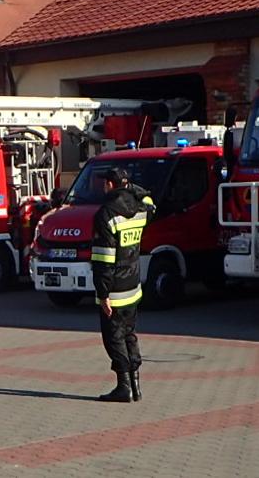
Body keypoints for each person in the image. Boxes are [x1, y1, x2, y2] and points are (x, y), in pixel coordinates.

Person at [90, 167, 151, 403]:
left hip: (114, 289)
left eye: (105, 183)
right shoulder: (140, 208)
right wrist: (131, 188)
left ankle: (123, 387)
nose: (103, 186)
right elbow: (150, 200)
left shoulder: (105, 214)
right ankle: (136, 386)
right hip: (133, 285)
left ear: (110, 185)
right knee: (129, 334)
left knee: (113, 337)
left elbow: (103, 259)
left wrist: (102, 293)